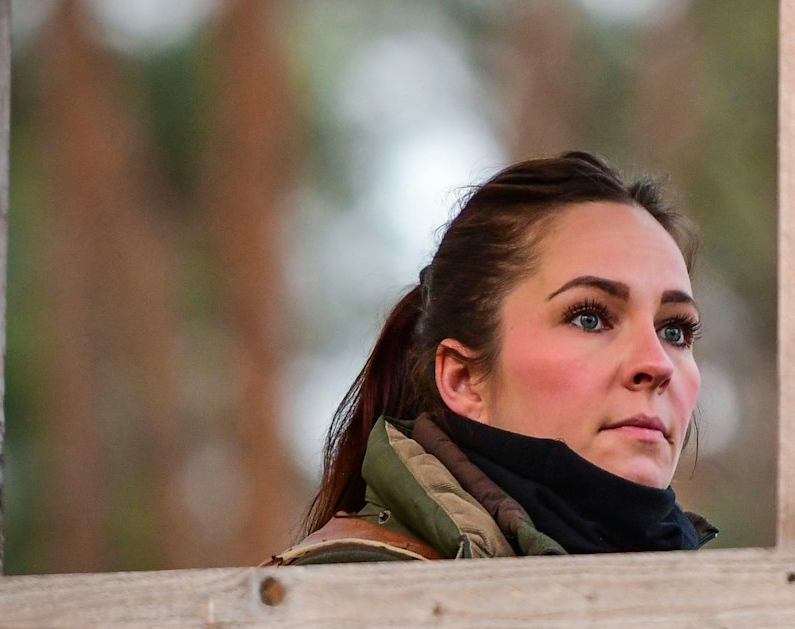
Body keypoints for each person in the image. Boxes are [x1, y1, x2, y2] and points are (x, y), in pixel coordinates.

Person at [271, 152, 715, 566]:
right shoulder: (345, 599)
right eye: (590, 318)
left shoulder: (724, 612)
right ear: (463, 379)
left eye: (674, 330)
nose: (656, 365)